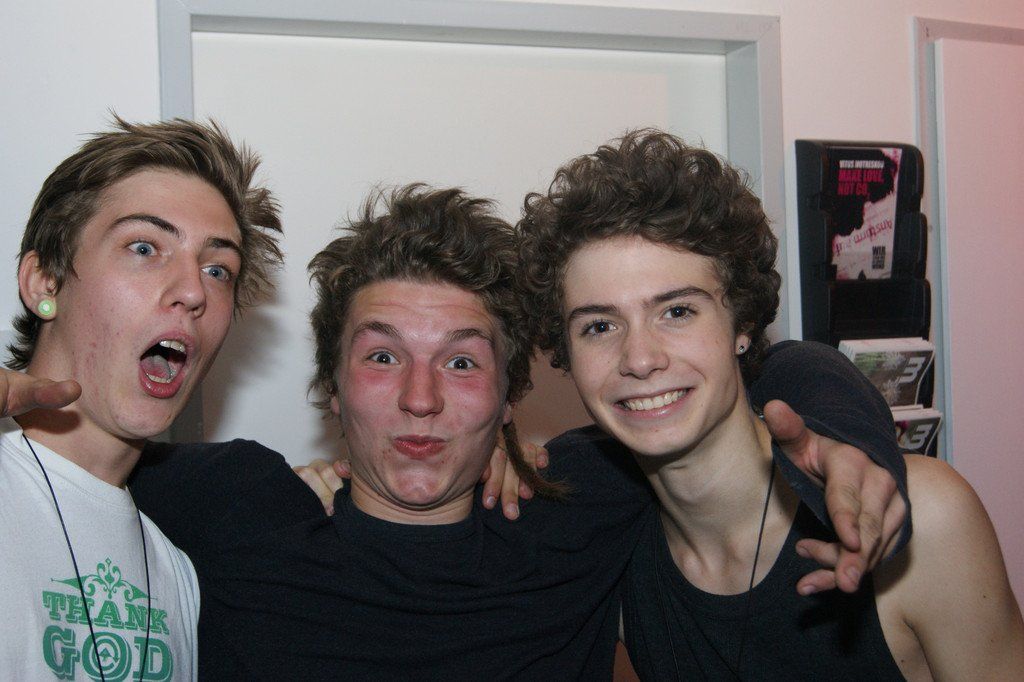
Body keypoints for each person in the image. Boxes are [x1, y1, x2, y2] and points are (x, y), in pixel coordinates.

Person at [125, 183, 908, 679]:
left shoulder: (577, 504)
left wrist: (850, 444)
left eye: (462, 363)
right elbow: (74, 452)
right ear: (332, 385)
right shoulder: (236, 504)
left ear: (509, 399)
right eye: (383, 356)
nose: (421, 399)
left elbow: (763, 366)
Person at [516, 129, 1024, 678]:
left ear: (742, 323)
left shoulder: (923, 517)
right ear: (567, 353)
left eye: (678, 312)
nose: (639, 358)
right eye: (599, 325)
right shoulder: (606, 556)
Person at [0, 117, 283, 679]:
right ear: (45, 282)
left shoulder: (178, 573)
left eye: (218, 269)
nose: (193, 291)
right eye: (145, 247)